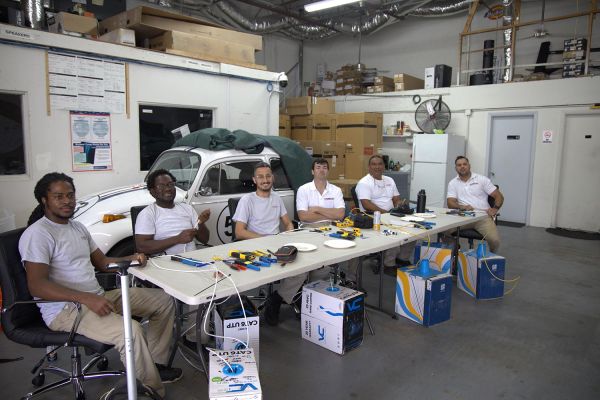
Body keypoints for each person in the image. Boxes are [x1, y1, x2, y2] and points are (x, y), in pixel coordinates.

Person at [19, 172, 181, 398]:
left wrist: (132, 258)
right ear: (44, 200)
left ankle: (152, 365)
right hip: (65, 311)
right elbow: (37, 286)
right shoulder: (38, 234)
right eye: (59, 197)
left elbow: (103, 263)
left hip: (96, 296)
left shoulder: (77, 227)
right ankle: (148, 392)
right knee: (131, 331)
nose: (67, 201)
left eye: (70, 195)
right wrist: (88, 299)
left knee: (164, 301)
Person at [232, 162, 296, 326]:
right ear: (254, 180)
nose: (265, 180)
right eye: (260, 177)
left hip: (276, 245)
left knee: (302, 269)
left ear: (273, 178)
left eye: (268, 176)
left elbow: (288, 223)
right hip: (255, 246)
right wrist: (263, 239)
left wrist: (289, 231)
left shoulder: (276, 198)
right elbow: (239, 232)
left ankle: (277, 298)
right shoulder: (247, 200)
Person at [296, 158, 357, 281]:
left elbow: (340, 215)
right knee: (320, 256)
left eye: (324, 167)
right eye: (318, 167)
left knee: (355, 248)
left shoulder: (336, 190)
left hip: (333, 226)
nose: (321, 170)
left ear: (328, 171)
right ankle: (315, 283)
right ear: (312, 171)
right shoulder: (303, 189)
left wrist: (317, 209)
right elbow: (303, 216)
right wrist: (329, 213)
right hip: (310, 228)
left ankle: (351, 280)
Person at [355, 155, 414, 273]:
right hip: (373, 217)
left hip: (392, 215)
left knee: (413, 230)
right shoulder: (364, 183)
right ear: (369, 167)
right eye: (374, 164)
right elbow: (366, 204)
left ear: (384, 166)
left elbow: (396, 198)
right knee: (394, 235)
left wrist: (399, 205)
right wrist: (386, 213)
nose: (377, 167)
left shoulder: (389, 180)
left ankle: (402, 259)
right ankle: (389, 264)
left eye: (380, 164)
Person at [135, 169, 210, 256]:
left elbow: (205, 240)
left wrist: (201, 223)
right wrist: (178, 239)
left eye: (170, 184)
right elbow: (142, 247)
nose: (168, 189)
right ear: (153, 192)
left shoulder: (187, 208)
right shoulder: (147, 214)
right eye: (161, 186)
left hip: (194, 260)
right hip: (165, 264)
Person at [447, 156, 504, 253]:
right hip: (462, 216)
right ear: (455, 168)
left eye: (465, 164)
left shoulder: (482, 179)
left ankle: (491, 257)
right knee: (442, 230)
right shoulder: (453, 183)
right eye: (459, 165)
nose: (462, 167)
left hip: (482, 217)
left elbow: (499, 196)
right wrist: (462, 207)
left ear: (469, 166)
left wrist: (495, 209)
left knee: (495, 240)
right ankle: (456, 249)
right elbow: (450, 203)